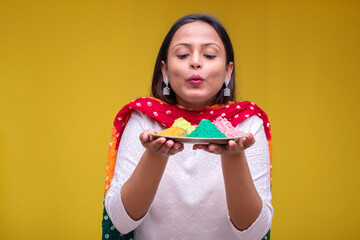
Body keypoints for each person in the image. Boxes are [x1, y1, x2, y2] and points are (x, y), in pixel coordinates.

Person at [102, 14, 273, 240]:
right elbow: (120, 222)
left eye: (209, 55)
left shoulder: (247, 123)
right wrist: (155, 155)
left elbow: (255, 233)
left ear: (228, 71)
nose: (195, 62)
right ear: (164, 70)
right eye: (183, 54)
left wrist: (234, 156)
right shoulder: (145, 119)